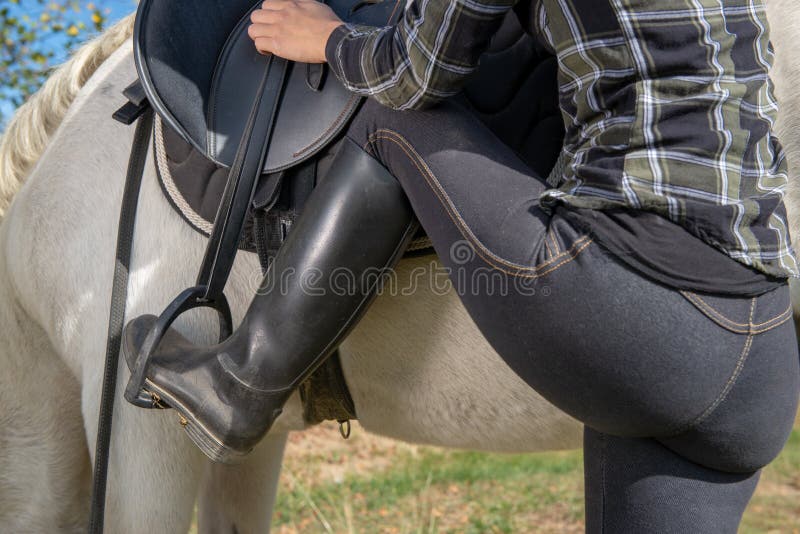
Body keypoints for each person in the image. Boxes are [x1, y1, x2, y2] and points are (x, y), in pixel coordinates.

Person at [123, 0, 800, 530]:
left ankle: (241, 384)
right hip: (757, 357)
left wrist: (325, 36)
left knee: (394, 120)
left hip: (639, 314)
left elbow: (416, 71)